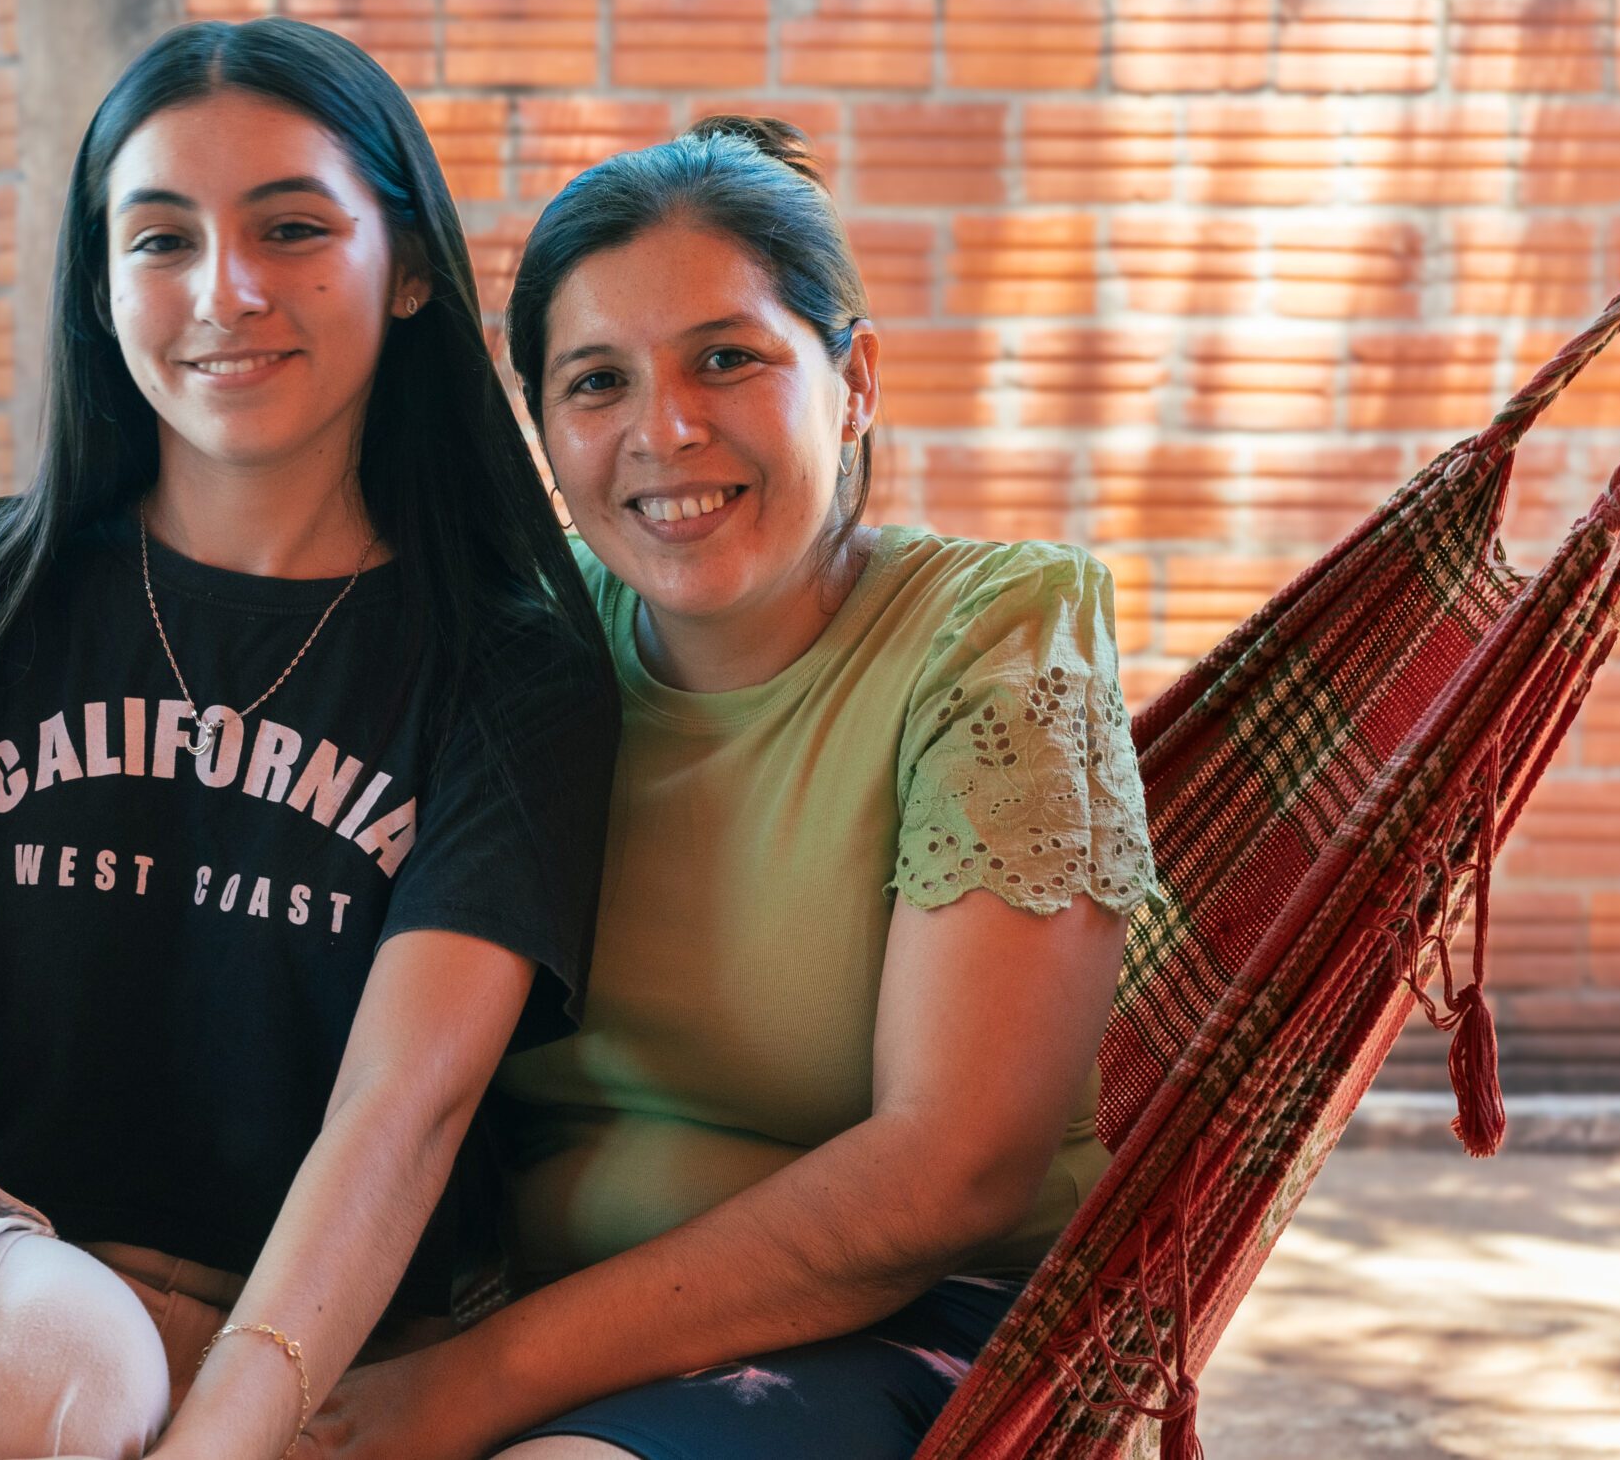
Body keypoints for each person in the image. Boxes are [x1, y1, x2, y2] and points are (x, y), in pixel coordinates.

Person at [0, 17, 617, 1460]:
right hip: (4, 1301)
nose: (225, 291)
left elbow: (405, 1109)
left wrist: (230, 1432)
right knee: (52, 1360)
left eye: (292, 225)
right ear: (97, 281)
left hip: (339, 1345)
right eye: (159, 239)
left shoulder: (513, 667)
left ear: (413, 272)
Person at [311, 117, 1161, 1460]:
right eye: (596, 383)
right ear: (539, 422)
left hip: (905, 1331)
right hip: (485, 1307)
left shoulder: (996, 640)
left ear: (856, 378)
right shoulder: (517, 647)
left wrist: (472, 1387)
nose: (666, 430)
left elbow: (958, 1169)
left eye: (728, 359)